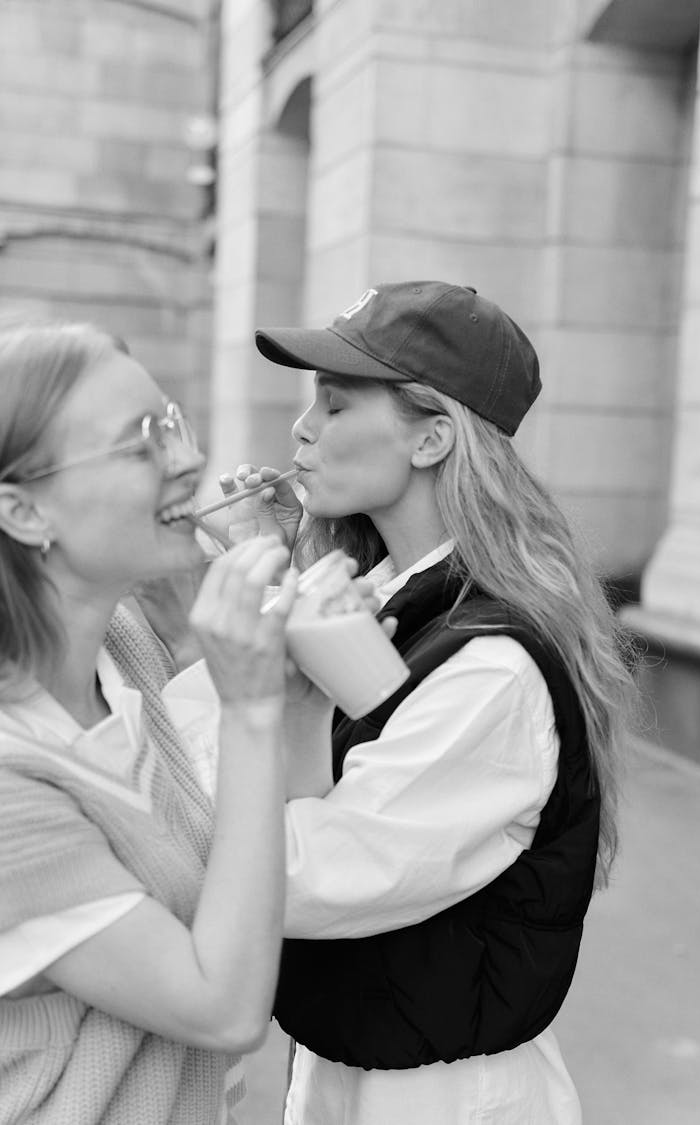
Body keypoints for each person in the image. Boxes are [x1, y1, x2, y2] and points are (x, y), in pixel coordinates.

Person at [237, 280, 637, 1124]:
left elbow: (303, 876)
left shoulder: (492, 666)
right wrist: (273, 590)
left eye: (338, 403)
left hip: (444, 1097)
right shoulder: (386, 600)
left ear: (432, 440)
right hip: (354, 1063)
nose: (303, 428)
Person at [0, 319, 299, 1124]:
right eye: (141, 444)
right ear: (24, 513)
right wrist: (250, 706)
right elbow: (225, 1007)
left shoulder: (123, 644)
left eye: (172, 422)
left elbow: (227, 844)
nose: (191, 459)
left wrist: (268, 629)